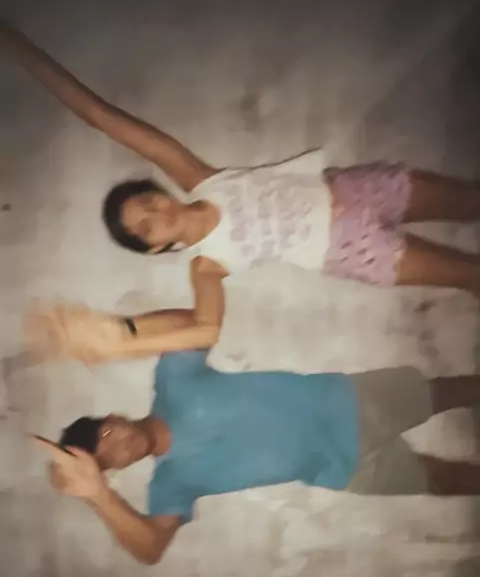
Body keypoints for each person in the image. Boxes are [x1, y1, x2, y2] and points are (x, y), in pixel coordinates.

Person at [4, 21, 480, 360]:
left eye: (148, 202)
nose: (157, 215)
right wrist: (119, 339)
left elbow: (101, 116)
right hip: (351, 248)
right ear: (155, 249)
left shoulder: (200, 178)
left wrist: (17, 45)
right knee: (470, 274)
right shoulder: (207, 266)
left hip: (359, 187)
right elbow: (205, 329)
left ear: (161, 191)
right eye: (146, 228)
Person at [33, 305, 480, 566]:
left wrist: (119, 334)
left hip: (349, 400)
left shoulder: (172, 383)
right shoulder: (170, 485)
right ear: (114, 469)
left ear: (114, 415)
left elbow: (190, 322)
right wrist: (98, 495)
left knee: (450, 391)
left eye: (108, 433)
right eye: (108, 458)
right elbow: (150, 549)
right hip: (344, 469)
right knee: (443, 480)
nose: (119, 447)